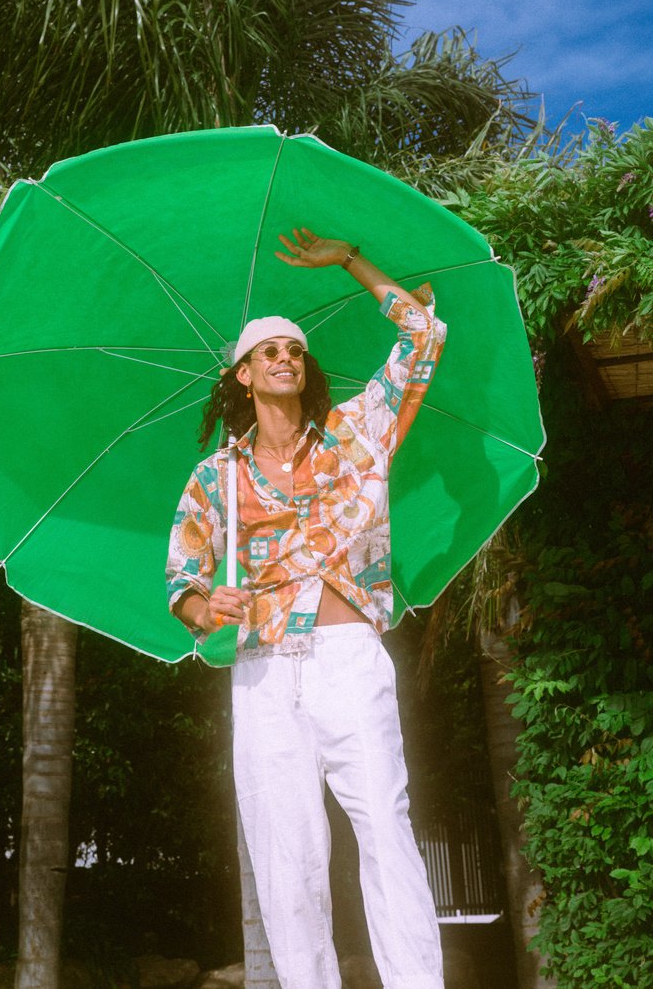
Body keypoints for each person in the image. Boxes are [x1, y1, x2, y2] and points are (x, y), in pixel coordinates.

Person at [166, 227, 447, 989]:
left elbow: (423, 334)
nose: (287, 357)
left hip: (348, 658)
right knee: (285, 854)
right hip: (261, 674)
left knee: (385, 831)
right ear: (243, 375)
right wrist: (205, 605)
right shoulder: (214, 477)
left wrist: (353, 260)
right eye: (271, 351)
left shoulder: (357, 435)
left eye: (295, 349)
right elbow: (180, 584)